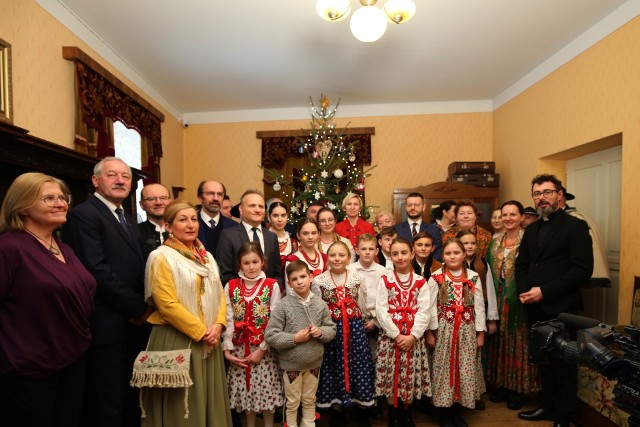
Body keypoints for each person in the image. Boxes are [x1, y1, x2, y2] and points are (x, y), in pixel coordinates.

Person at [0, 172, 97, 427]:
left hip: (72, 361)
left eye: (62, 197)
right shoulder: (9, 248)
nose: (60, 203)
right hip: (28, 370)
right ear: (22, 206)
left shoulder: (64, 248)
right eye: (48, 198)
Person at [63, 157, 152, 427]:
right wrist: (137, 308)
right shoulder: (84, 215)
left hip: (132, 327)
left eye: (125, 176)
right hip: (107, 326)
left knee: (130, 399)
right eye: (112, 175)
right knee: (108, 404)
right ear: (95, 180)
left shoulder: (125, 216)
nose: (120, 180)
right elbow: (96, 270)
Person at [142, 200, 232, 426]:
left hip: (209, 339)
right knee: (182, 405)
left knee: (208, 397)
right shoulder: (161, 256)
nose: (191, 225)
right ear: (169, 226)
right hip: (179, 338)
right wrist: (201, 332)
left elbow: (220, 294)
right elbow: (166, 304)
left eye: (193, 219)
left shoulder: (207, 257)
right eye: (183, 220)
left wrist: (219, 326)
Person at [515, 174, 593, 427]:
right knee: (544, 361)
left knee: (564, 364)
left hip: (562, 308)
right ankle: (547, 407)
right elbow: (523, 264)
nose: (542, 198)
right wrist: (526, 290)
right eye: (537, 194)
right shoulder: (533, 228)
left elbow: (582, 270)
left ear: (559, 194)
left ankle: (564, 416)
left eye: (547, 192)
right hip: (535, 306)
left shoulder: (575, 226)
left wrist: (544, 291)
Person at [265, 261, 336, 427]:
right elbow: (270, 335)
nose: (300, 281)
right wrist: (294, 339)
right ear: (289, 284)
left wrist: (321, 332)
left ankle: (308, 423)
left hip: (314, 364)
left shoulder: (320, 304)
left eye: (303, 276)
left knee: (310, 399)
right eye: (294, 279)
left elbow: (331, 329)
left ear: (311, 278)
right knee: (292, 401)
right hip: (291, 366)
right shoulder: (283, 305)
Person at [313, 241, 375, 426]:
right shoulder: (319, 281)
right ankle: (337, 409)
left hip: (355, 330)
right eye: (333, 255)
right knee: (333, 367)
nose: (337, 259)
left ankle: (361, 408)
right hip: (332, 331)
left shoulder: (356, 278)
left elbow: (362, 302)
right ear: (327, 258)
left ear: (348, 258)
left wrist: (366, 319)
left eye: (341, 255)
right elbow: (317, 307)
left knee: (358, 366)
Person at [375, 238, 436, 427]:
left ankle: (407, 413)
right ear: (390, 256)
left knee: (408, 375)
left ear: (412, 254)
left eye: (403, 253)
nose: (399, 257)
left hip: (412, 338)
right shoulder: (385, 279)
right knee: (392, 374)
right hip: (391, 338)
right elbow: (381, 310)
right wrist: (396, 335)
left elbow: (424, 310)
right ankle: (393, 414)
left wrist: (413, 336)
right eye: (395, 254)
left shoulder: (420, 281)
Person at [223, 242, 283, 427]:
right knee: (246, 397)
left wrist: (263, 349)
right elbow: (228, 318)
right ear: (239, 265)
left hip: (264, 350)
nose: (251, 267)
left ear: (262, 262)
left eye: (255, 262)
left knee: (267, 398)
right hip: (240, 351)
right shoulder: (231, 285)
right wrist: (227, 350)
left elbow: (275, 320)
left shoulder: (271, 285)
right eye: (246, 263)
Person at [428, 238, 486, 427]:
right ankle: (444, 412)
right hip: (444, 330)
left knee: (463, 368)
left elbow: (479, 307)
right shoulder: (436, 277)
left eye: (456, 253)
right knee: (445, 368)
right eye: (448, 253)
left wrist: (480, 333)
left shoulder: (473, 277)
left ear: (464, 255)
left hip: (466, 331)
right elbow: (429, 307)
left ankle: (456, 410)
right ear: (443, 256)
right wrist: (431, 332)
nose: (452, 256)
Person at [486, 201, 538, 411]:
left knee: (518, 343)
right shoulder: (496, 241)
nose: (507, 218)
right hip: (498, 301)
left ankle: (518, 389)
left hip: (520, 300)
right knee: (500, 342)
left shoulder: (530, 239)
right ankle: (504, 385)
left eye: (512, 214)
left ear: (521, 217)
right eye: (504, 214)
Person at [457, 229, 499, 411]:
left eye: (472, 243)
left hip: (476, 317)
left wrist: (491, 319)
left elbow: (489, 291)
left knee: (475, 359)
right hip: (457, 318)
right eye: (465, 243)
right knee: (458, 358)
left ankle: (474, 394)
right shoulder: (451, 263)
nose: (469, 246)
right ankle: (457, 394)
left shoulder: (482, 265)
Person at [348, 233, 387, 420]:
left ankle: (374, 402)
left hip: (377, 321)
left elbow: (386, 301)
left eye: (371, 249)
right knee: (357, 362)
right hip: (354, 321)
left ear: (377, 250)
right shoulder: (349, 270)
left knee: (375, 361)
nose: (367, 252)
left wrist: (376, 322)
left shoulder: (383, 272)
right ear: (356, 250)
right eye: (363, 249)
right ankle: (356, 401)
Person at [217, 189, 284, 288]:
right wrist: (246, 295)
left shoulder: (271, 237)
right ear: (241, 209)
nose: (257, 210)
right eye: (252, 206)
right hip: (239, 300)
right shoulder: (227, 235)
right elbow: (224, 274)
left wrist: (271, 291)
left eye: (261, 206)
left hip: (268, 299)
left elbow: (277, 273)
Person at [394, 192, 443, 261]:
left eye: (416, 205)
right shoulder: (396, 229)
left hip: (428, 270)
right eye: (409, 205)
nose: (412, 208)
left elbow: (437, 256)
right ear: (406, 207)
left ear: (423, 207)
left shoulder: (434, 230)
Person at [285, 219, 327, 293]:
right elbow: (290, 291)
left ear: (319, 234)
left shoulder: (324, 258)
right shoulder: (292, 260)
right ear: (298, 235)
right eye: (305, 233)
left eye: (313, 233)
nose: (310, 237)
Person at [197, 180, 237, 254]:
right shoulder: (190, 224)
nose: (216, 198)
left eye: (220, 194)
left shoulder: (234, 227)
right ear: (200, 198)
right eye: (210, 193)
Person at [138, 183, 171, 260]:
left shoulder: (180, 231)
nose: (158, 202)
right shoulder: (134, 232)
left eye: (163, 198)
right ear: (142, 205)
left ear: (170, 202)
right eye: (151, 199)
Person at [268, 201, 299, 275]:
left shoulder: (294, 243)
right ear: (268, 217)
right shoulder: (263, 239)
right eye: (275, 216)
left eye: (283, 215)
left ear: (287, 216)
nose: (280, 220)